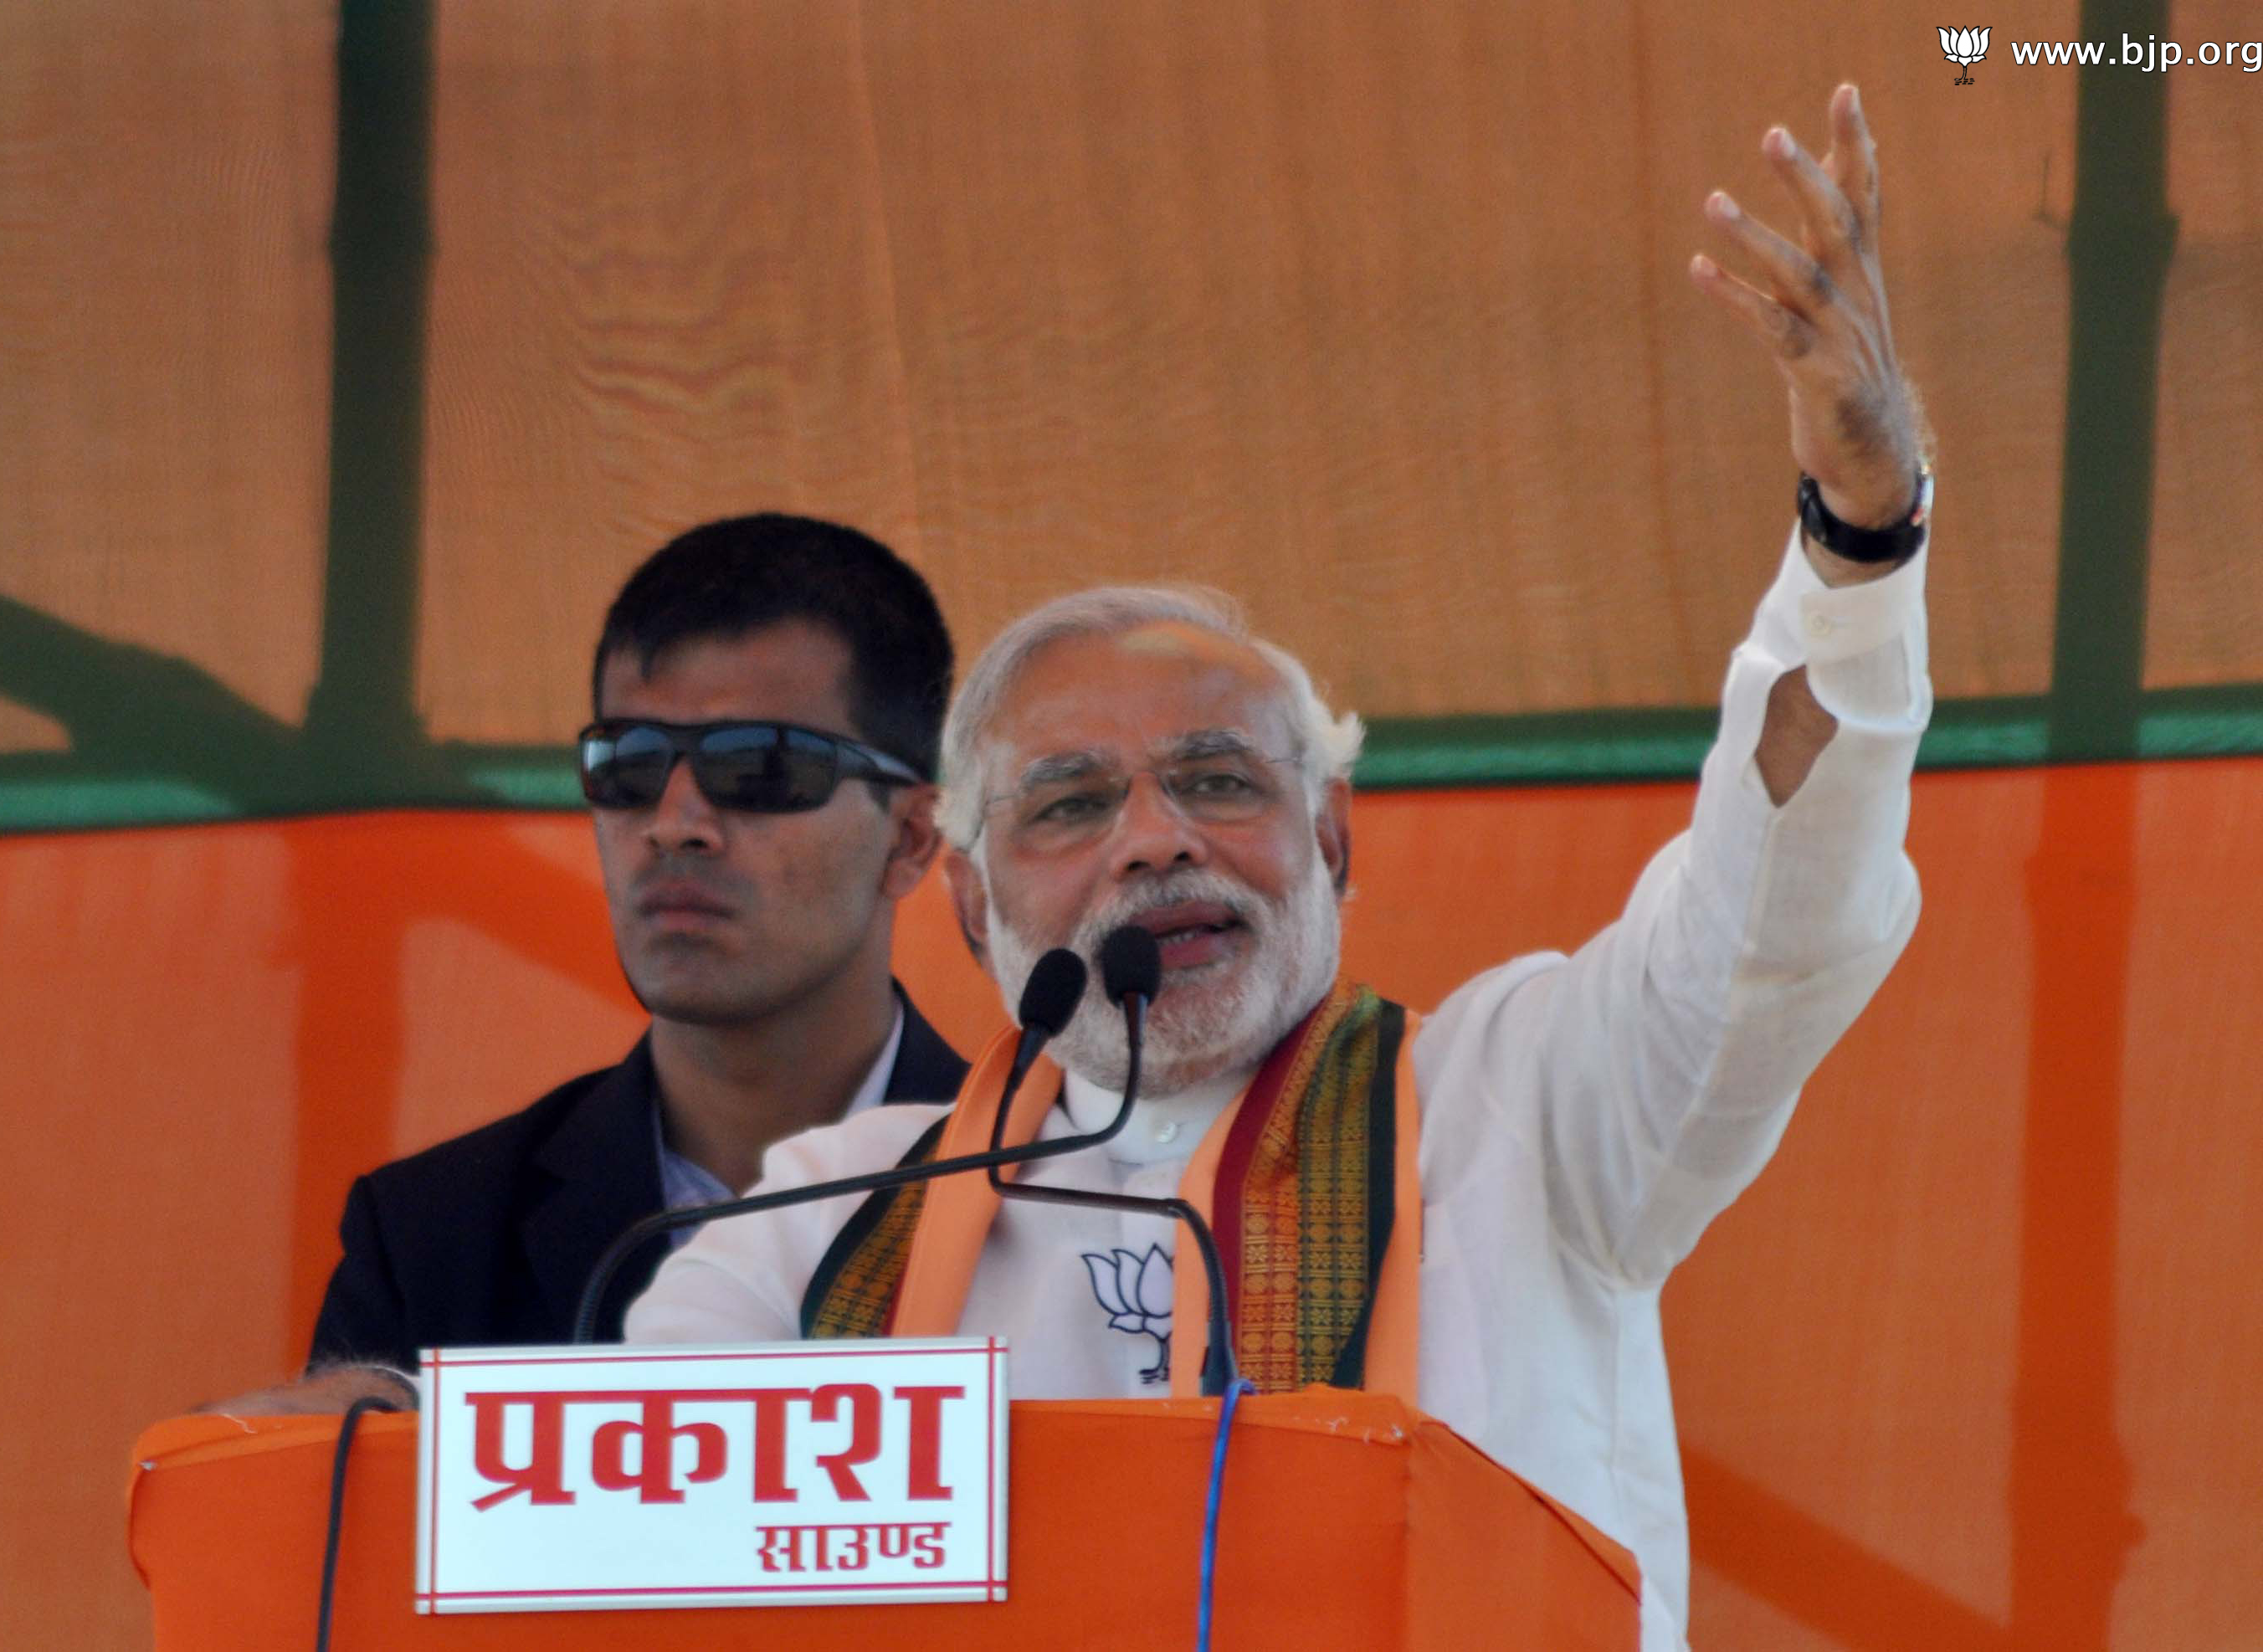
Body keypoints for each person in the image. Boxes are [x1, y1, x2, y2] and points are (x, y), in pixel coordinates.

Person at [627, 86, 1927, 1648]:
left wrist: (1854, 544)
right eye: (1067, 803)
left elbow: (1762, 926)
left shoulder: (1520, 1104)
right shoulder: (811, 1221)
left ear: (1329, 837)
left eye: (1216, 779)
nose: (1154, 837)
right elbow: (634, 1567)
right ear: (968, 899)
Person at [262, 514, 969, 1408]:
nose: (674, 823)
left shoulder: (1072, 1199)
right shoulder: (433, 1236)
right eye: (627, 766)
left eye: (759, 767)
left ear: (910, 838)